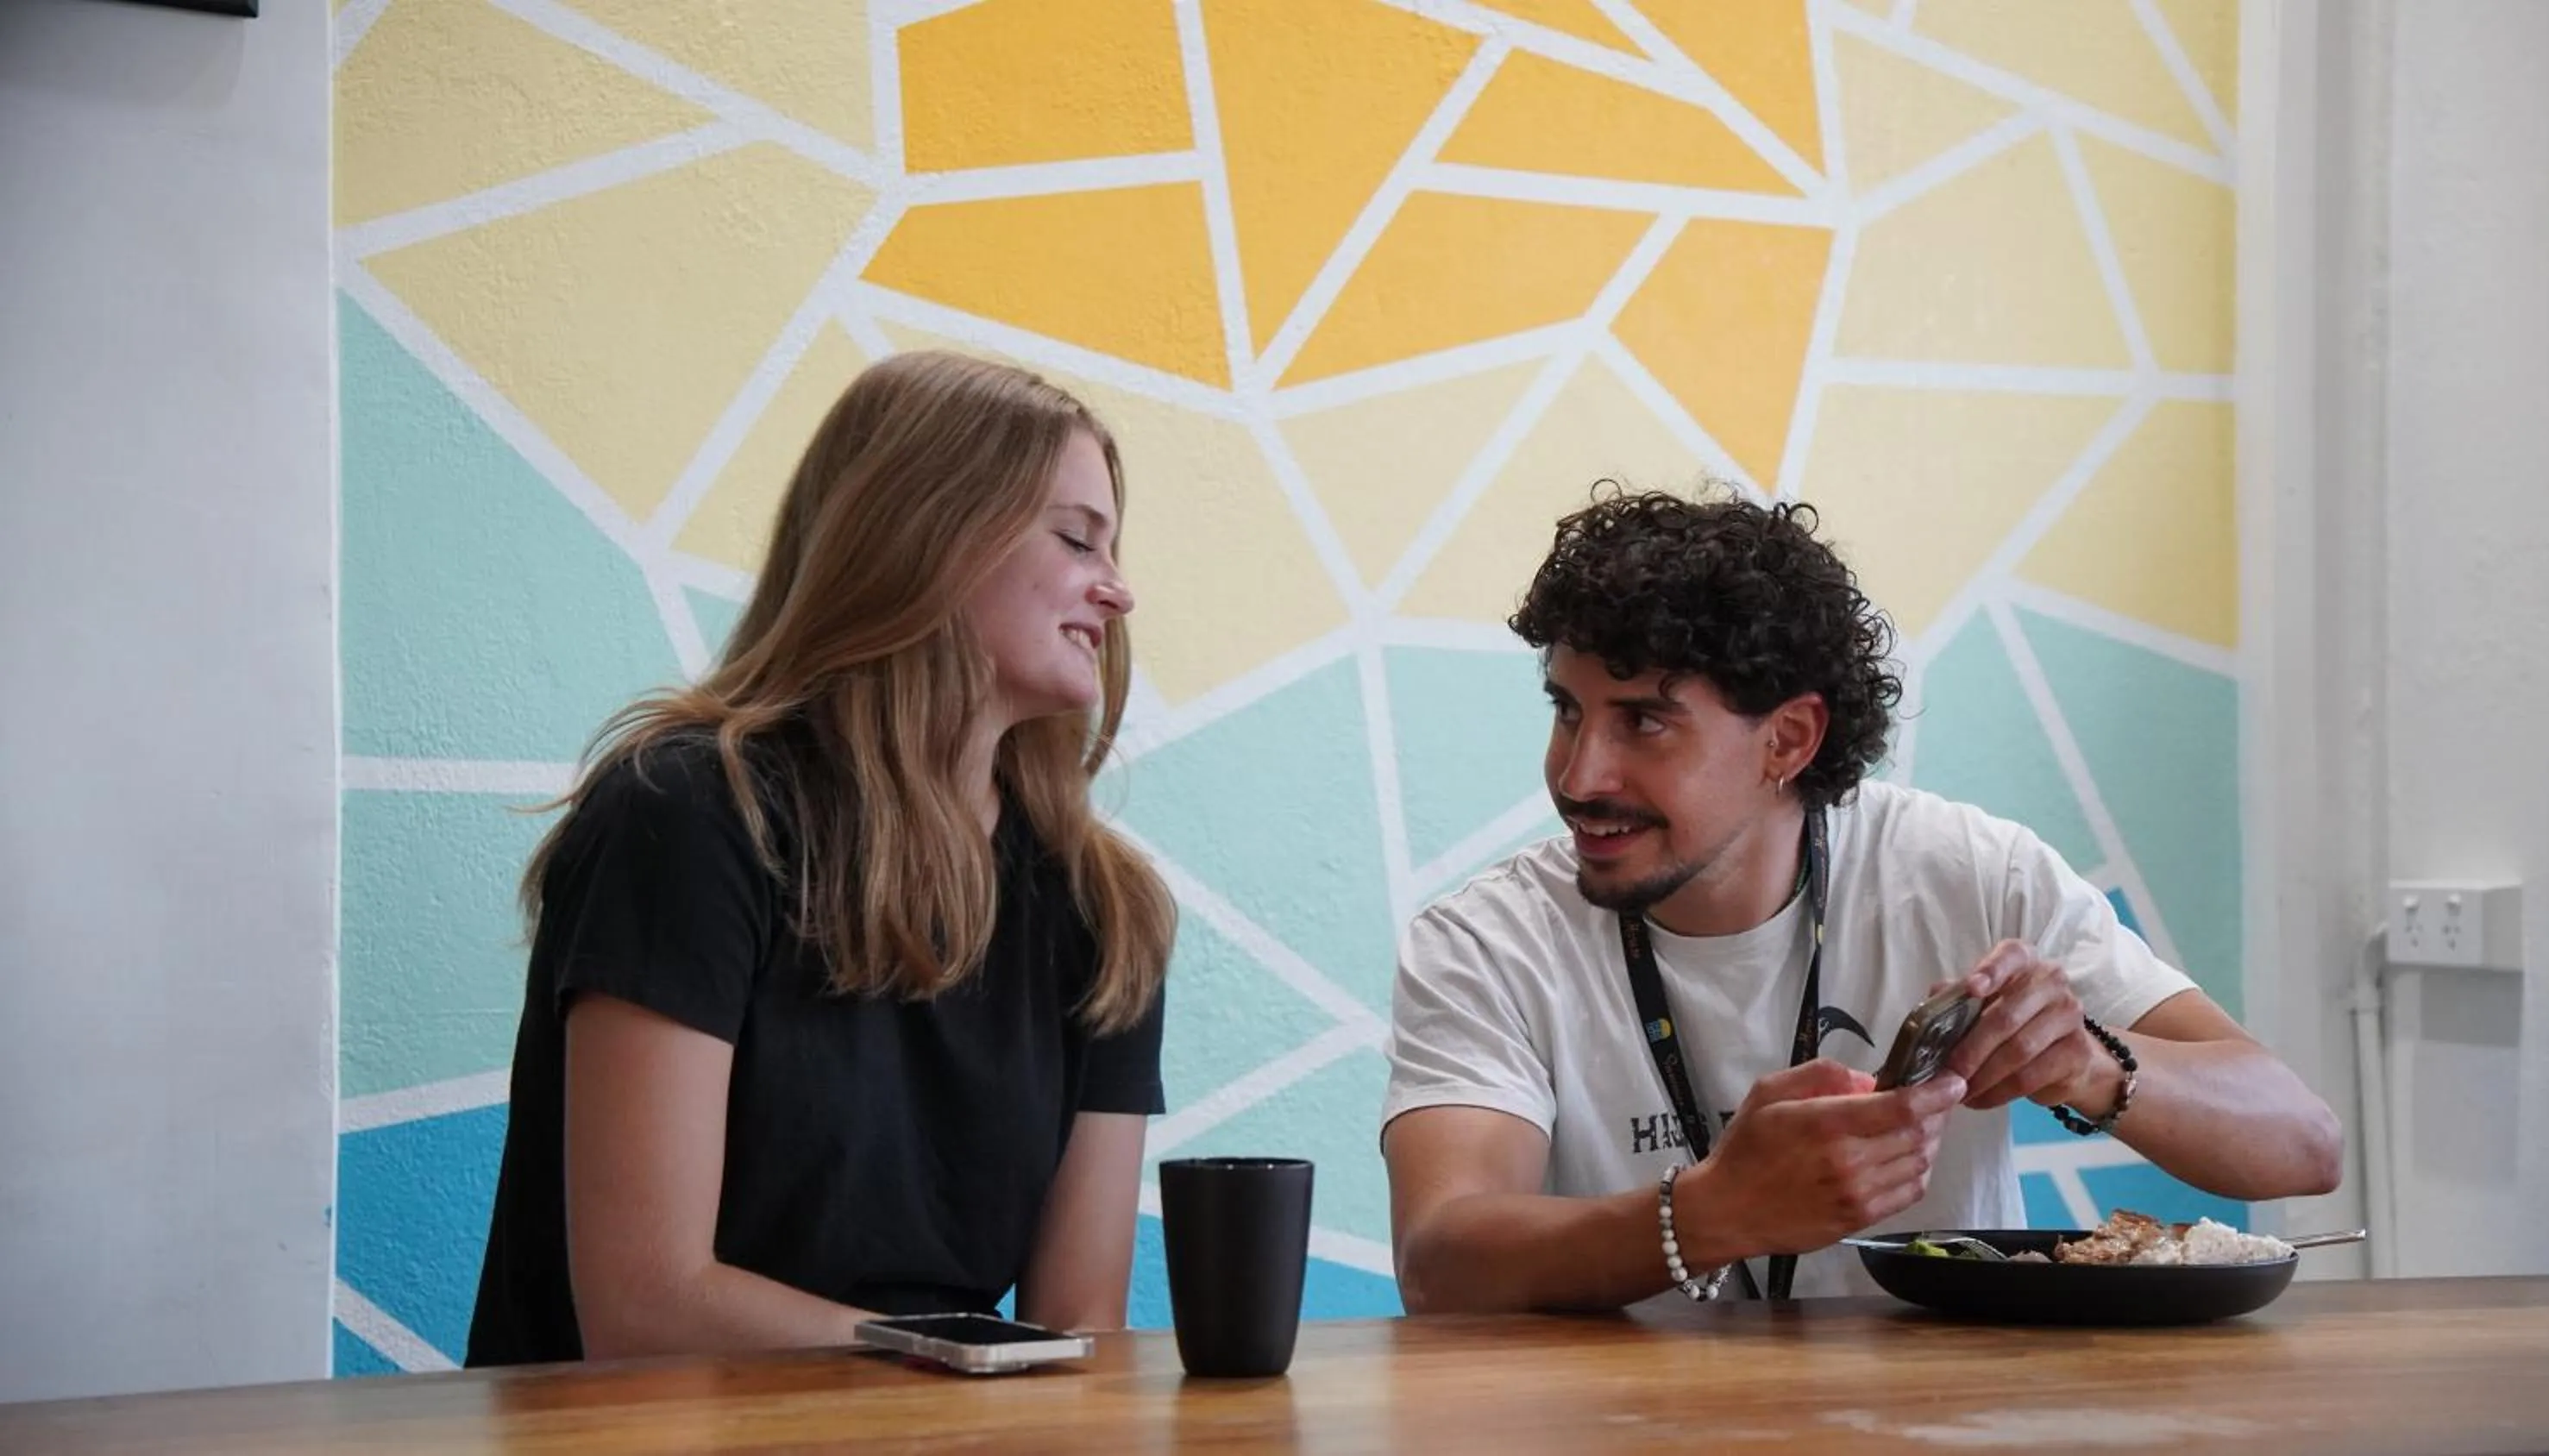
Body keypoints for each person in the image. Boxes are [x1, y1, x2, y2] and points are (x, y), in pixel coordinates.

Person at [1382, 489, 2341, 1312]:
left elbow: (2302, 1143)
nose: (1580, 772)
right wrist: (1716, 1210)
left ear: (1788, 740)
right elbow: (1441, 1257)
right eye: (1567, 710)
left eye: (1644, 721)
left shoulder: (1973, 872)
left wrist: (2093, 1064)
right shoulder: (1485, 940)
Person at [465, 351, 1175, 1365]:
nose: (1118, 592)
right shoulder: (685, 814)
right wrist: (966, 1361)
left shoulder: (1106, 913)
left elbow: (1078, 1332)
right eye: (1076, 538)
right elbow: (645, 1304)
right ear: (928, 530)